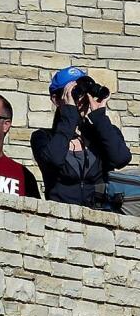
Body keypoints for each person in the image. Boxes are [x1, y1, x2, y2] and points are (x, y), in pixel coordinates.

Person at [31, 66, 131, 209]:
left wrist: (99, 117)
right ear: (56, 99)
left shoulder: (102, 132)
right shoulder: (43, 138)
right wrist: (68, 114)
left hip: (100, 219)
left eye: (83, 92)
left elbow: (121, 159)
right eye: (74, 93)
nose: (81, 99)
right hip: (60, 221)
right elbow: (54, 160)